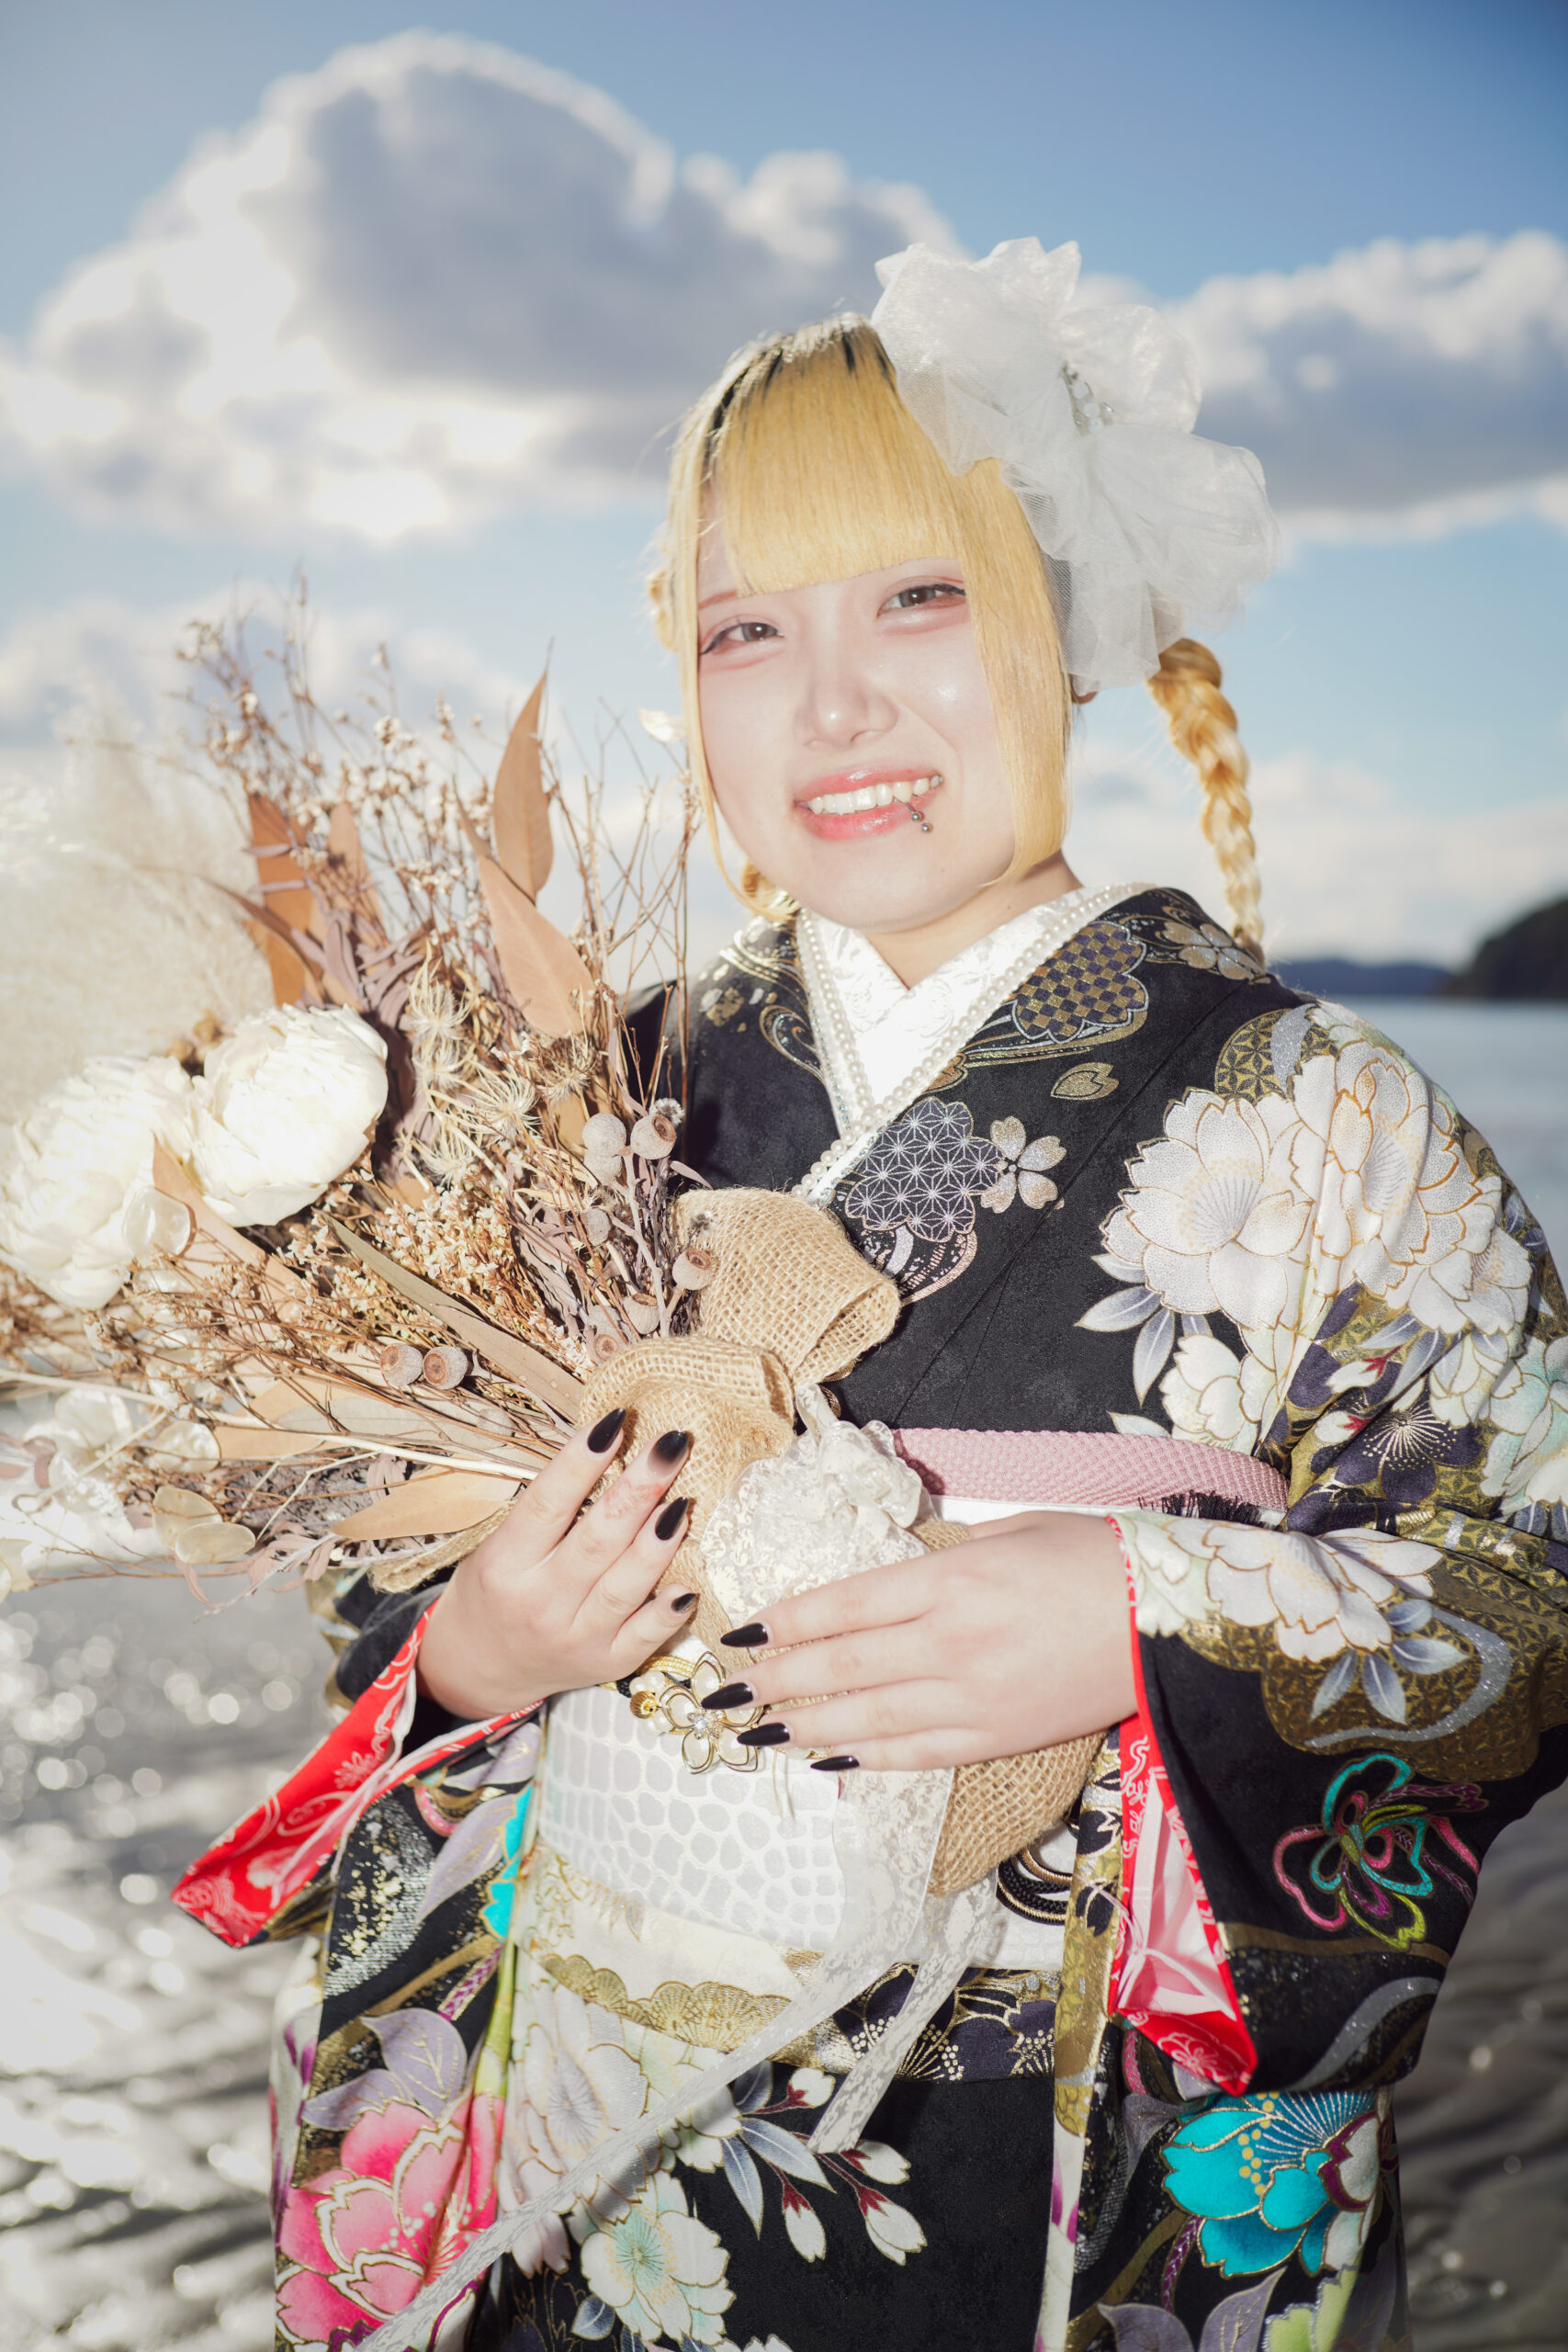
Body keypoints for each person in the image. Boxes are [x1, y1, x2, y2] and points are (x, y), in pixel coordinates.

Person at [178, 240, 1568, 2352]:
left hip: (1037, 2180)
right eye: (747, 628)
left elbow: (1530, 1585)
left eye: (915, 596)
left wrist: (1147, 1613)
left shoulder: (1320, 1114)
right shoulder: (585, 1093)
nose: (832, 705)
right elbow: (368, 1567)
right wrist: (476, 1647)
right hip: (594, 2183)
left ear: (1061, 621)